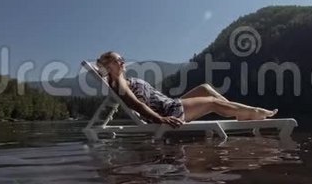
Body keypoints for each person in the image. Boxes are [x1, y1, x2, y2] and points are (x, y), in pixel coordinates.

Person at [96, 51, 278, 128]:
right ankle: (249, 111)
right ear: (107, 66)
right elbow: (136, 105)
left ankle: (236, 110)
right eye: (116, 60)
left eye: (122, 58)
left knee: (205, 88)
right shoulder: (120, 85)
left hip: (169, 103)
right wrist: (161, 119)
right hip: (169, 111)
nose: (122, 61)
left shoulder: (125, 80)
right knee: (212, 102)